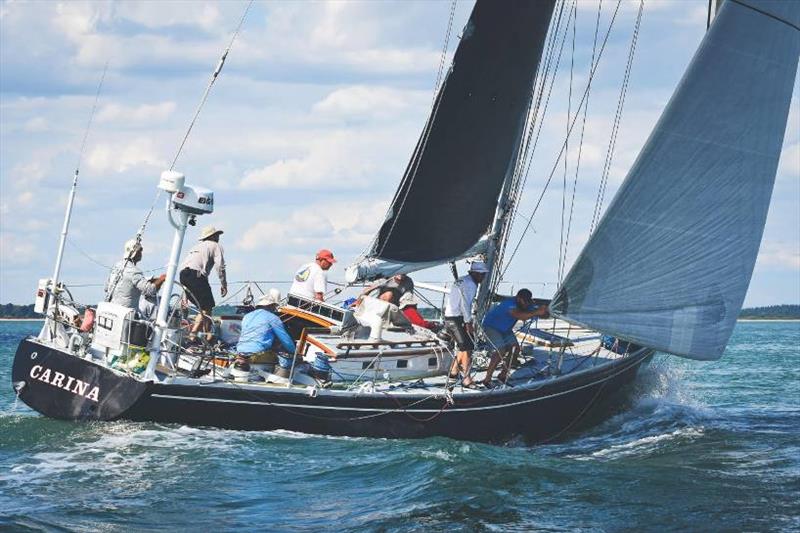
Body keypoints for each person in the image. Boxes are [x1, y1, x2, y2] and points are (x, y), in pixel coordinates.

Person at [481, 288, 549, 386]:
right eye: (524, 301)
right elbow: (520, 316)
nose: (526, 304)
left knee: (515, 349)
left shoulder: (526, 304)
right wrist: (537, 312)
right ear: (518, 298)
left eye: (527, 301)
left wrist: (545, 311)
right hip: (491, 327)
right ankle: (487, 379)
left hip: (505, 329)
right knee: (500, 350)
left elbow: (542, 314)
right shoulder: (509, 303)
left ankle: (503, 375)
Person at [444, 261, 488, 387]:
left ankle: (453, 372)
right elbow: (465, 305)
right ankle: (467, 379)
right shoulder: (471, 285)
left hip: (450, 317)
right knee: (468, 347)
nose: (483, 277)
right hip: (457, 318)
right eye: (482, 274)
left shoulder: (462, 280)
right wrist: (468, 322)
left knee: (464, 346)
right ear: (475, 273)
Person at [179, 226, 227, 342]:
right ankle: (193, 336)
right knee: (206, 307)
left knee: (204, 307)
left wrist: (184, 297)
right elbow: (220, 266)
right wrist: (224, 284)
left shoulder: (196, 247)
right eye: (217, 235)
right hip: (197, 276)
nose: (218, 238)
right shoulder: (215, 246)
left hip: (183, 275)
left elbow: (188, 270)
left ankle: (206, 337)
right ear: (212, 236)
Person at [234, 289, 296, 372]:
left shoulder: (246, 316)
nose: (275, 309)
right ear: (271, 306)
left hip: (240, 353)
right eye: (274, 306)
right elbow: (286, 340)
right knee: (286, 360)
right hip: (257, 355)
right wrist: (295, 352)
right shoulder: (273, 318)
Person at [104, 239, 165, 311]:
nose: (141, 253)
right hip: (127, 314)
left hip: (111, 310)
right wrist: (162, 278)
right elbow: (150, 290)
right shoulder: (135, 271)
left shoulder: (116, 266)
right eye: (140, 250)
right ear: (135, 253)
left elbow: (106, 288)